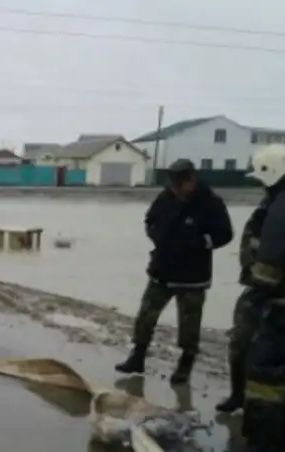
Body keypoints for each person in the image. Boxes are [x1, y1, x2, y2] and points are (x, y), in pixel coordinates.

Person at [115, 159, 233, 384]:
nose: (177, 190)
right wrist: (155, 234)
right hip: (162, 270)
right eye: (173, 186)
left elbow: (225, 234)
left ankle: (185, 366)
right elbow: (149, 219)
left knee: (189, 324)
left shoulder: (211, 202)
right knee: (145, 317)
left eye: (181, 185)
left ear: (192, 180)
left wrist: (199, 242)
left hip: (193, 276)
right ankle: (137, 357)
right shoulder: (165, 198)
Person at [216, 147, 284, 412]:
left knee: (260, 354)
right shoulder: (272, 202)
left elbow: (273, 257)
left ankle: (261, 419)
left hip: (268, 292)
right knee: (241, 344)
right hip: (260, 286)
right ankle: (238, 395)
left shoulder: (279, 206)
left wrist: (259, 288)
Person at [241, 145, 285, 451]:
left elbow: (269, 267)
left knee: (264, 376)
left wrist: (257, 295)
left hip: (279, 308)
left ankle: (263, 441)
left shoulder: (280, 207)